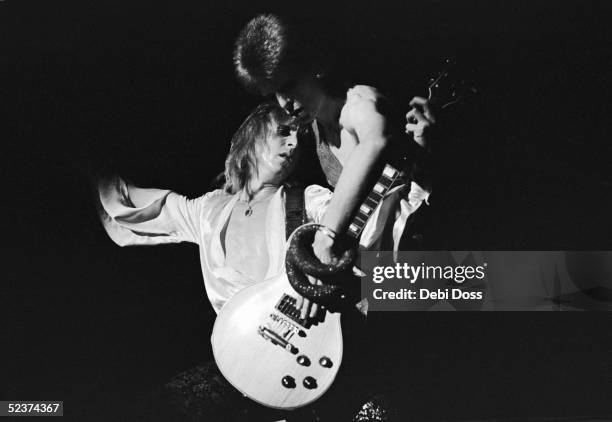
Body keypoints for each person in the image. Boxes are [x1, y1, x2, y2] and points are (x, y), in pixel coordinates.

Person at [96, 102, 429, 420]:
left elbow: (376, 230)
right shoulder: (207, 210)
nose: (294, 143)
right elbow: (130, 204)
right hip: (234, 362)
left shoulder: (308, 200)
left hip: (304, 359)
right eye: (283, 131)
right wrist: (81, 159)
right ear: (251, 138)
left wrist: (419, 162)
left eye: (300, 136)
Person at [233, 14, 436, 290]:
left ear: (315, 65)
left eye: (288, 86)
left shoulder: (358, 101)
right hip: (375, 274)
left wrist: (327, 234)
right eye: (274, 94)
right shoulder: (313, 133)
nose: (284, 103)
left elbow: (375, 140)